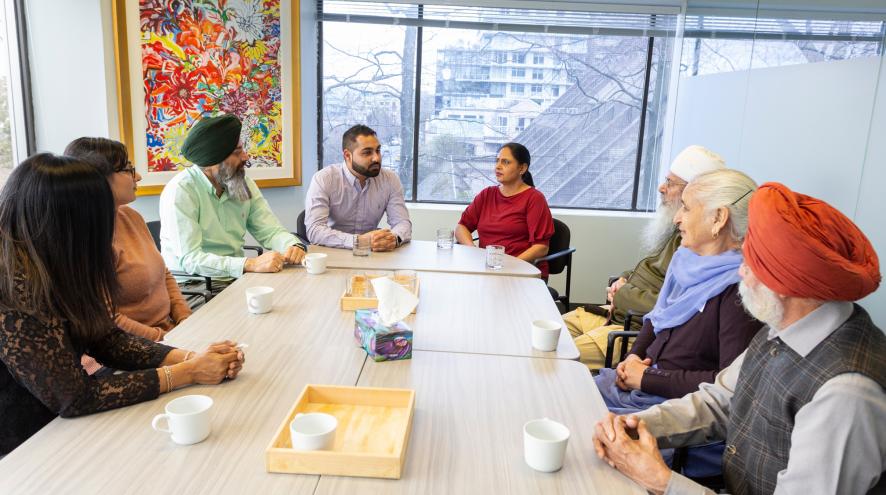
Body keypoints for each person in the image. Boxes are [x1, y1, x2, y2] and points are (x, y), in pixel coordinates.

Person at [593, 182, 884, 495]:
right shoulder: (783, 326)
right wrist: (638, 424)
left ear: (786, 282)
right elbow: (720, 401)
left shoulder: (845, 394)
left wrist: (662, 482)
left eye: (752, 263)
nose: (741, 272)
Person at [0, 154, 246, 456]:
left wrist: (191, 358)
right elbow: (74, 397)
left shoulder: (59, 263)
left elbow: (105, 338)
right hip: (24, 443)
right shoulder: (15, 287)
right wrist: (189, 372)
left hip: (58, 425)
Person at [565, 145, 726, 369]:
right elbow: (650, 269)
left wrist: (624, 294)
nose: (661, 188)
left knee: (558, 356)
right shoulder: (677, 231)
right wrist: (624, 279)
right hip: (615, 315)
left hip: (633, 329)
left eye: (670, 183)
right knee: (539, 335)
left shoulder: (702, 245)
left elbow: (675, 306)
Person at [159, 114, 306, 295]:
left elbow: (271, 230)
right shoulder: (181, 191)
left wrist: (293, 246)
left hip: (235, 280)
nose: (245, 156)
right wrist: (249, 263)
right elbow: (190, 259)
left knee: (293, 301)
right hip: (193, 287)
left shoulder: (241, 183)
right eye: (237, 152)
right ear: (211, 160)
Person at [65, 137, 191, 346]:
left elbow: (164, 274)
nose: (138, 176)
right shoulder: (84, 240)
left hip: (170, 334)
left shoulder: (130, 216)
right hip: (132, 349)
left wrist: (186, 319)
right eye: (128, 169)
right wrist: (165, 340)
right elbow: (108, 319)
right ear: (97, 179)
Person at [305, 124, 411, 251]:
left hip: (371, 254)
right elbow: (314, 230)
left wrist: (394, 238)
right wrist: (359, 241)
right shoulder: (324, 179)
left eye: (378, 150)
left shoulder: (390, 179)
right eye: (367, 153)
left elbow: (402, 223)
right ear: (347, 156)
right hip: (333, 252)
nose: (376, 158)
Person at [455, 142, 555, 277]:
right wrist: (473, 250)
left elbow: (541, 248)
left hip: (521, 271)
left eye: (506, 162)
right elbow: (462, 227)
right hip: (489, 270)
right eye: (497, 161)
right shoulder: (487, 194)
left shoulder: (534, 199)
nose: (498, 166)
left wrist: (510, 265)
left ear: (522, 168)